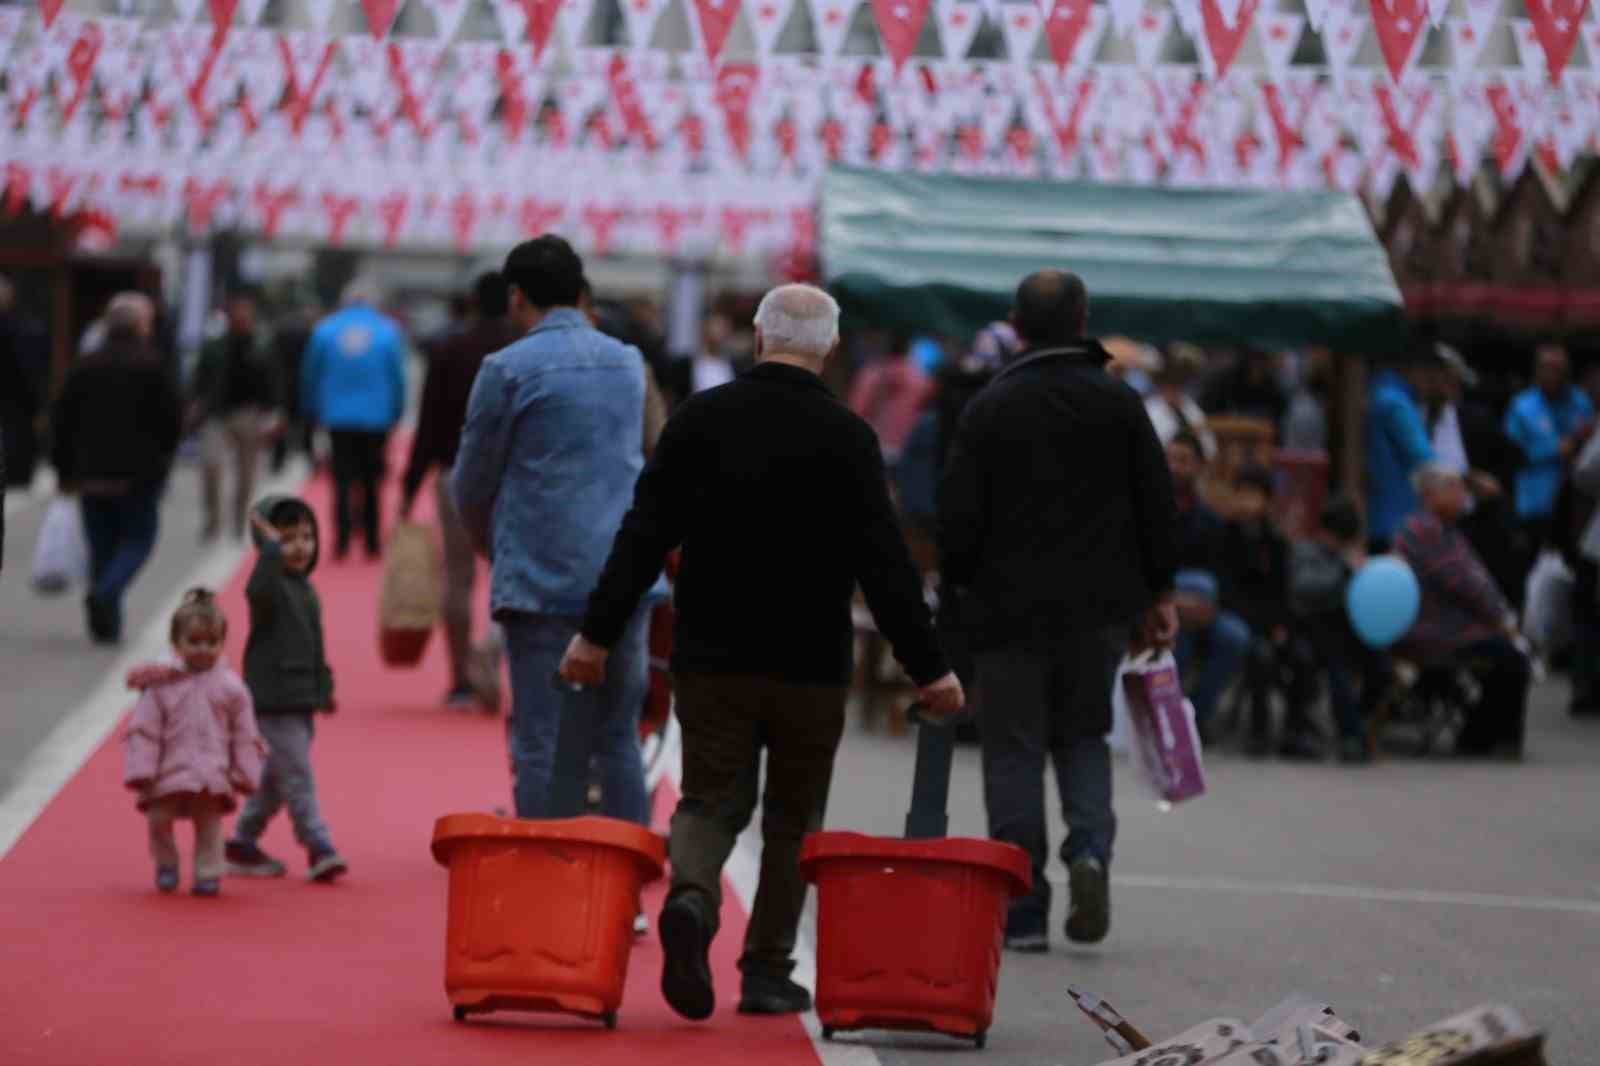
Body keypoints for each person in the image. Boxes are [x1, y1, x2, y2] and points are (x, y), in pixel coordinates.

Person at [560, 283, 960, 1019]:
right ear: (832, 347)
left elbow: (642, 535)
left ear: (756, 336)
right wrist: (928, 666)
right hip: (810, 660)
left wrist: (596, 634)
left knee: (711, 798)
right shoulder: (850, 437)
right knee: (793, 816)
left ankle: (692, 897)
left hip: (711, 650)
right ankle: (768, 970)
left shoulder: (700, 420)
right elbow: (886, 565)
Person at [939, 269, 1178, 952]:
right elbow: (1156, 504)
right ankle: (1090, 854)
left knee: (1012, 750)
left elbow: (957, 518)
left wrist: (957, 601)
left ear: (1016, 323)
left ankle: (1021, 909)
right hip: (1099, 611)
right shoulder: (1119, 403)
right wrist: (1159, 593)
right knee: (1082, 736)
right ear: (1083, 322)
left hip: (1006, 615)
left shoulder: (990, 407)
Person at [451, 236, 660, 831]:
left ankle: (550, 873)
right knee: (618, 734)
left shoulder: (505, 369)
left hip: (540, 577)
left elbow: (471, 482)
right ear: (579, 292)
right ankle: (625, 884)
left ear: (516, 298)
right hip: (623, 577)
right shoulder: (627, 362)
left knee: (540, 738)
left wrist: (492, 545)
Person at [400, 271, 516, 707]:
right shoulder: (520, 350)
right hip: (513, 478)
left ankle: (460, 679)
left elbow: (428, 422)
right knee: (513, 573)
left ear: (470, 301)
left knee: (458, 577)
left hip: (455, 473)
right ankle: (493, 649)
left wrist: (411, 485)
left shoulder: (449, 348)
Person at [224, 496, 348, 882]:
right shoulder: (271, 586)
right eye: (288, 538)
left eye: (307, 537)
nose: (300, 547)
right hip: (274, 700)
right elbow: (256, 590)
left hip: (300, 699)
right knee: (298, 777)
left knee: (277, 780)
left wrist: (323, 688)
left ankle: (243, 842)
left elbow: (315, 644)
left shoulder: (305, 589)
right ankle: (318, 845)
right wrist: (269, 550)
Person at [51, 292, 183, 644]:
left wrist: (63, 469)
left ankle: (104, 624)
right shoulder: (153, 365)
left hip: (90, 472)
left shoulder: (85, 365)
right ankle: (106, 595)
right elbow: (172, 420)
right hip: (137, 474)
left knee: (102, 546)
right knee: (139, 539)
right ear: (142, 326)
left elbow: (61, 419)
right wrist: (163, 460)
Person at [121, 589, 267, 896]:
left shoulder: (232, 688)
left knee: (209, 826)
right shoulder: (162, 686)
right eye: (195, 641)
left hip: (211, 774)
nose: (204, 649)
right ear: (177, 644)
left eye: (212, 642)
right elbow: (145, 729)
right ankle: (166, 863)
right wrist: (142, 769)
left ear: (222, 643)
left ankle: (208, 872)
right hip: (166, 771)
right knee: (158, 820)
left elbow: (244, 734)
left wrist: (245, 772)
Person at [1394, 464, 1532, 758]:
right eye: (1455, 488)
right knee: (1511, 659)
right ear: (1431, 495)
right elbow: (1463, 583)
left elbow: (1477, 579)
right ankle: (1485, 737)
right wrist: (1499, 618)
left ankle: (1483, 735)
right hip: (1435, 629)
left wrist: (1501, 615)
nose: (1462, 495)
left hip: (1455, 625)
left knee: (1510, 654)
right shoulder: (1424, 531)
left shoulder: (1446, 529)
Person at [301, 278, 408, 560]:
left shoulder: (325, 330)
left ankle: (342, 539)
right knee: (373, 480)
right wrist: (397, 409)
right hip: (376, 417)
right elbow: (398, 377)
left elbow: (310, 373)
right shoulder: (387, 332)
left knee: (342, 479)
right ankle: (372, 540)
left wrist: (311, 407)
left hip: (337, 416)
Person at [1219, 465, 1319, 759]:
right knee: (1260, 656)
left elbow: (1284, 592)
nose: (1247, 502)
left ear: (1267, 501)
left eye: (1254, 496)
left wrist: (1282, 627)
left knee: (1302, 655)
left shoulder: (1276, 542)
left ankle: (1295, 731)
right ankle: (1259, 731)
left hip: (1275, 624)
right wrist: (1262, 625)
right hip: (1242, 623)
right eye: (1242, 495)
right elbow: (1228, 593)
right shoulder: (1226, 538)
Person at [1289, 497, 1386, 764]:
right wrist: (1343, 571)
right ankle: (1350, 736)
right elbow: (1304, 587)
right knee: (1339, 673)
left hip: (1352, 630)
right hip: (1316, 630)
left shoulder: (1353, 555)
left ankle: (1363, 725)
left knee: (1381, 669)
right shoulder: (1306, 552)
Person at [1166, 432, 1251, 735]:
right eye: (1171, 459)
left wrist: (1209, 610)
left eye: (1184, 460)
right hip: (1160, 608)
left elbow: (1226, 576)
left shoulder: (1212, 522)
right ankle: (1170, 720)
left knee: (1235, 637)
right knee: (1176, 639)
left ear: (1199, 466)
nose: (1175, 467)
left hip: (1203, 610)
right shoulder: (1149, 514)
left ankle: (1195, 719)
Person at [191, 288, 283, 542]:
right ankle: (212, 521)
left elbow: (273, 380)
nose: (241, 316)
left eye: (246, 312)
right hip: (217, 413)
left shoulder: (262, 345)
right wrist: (196, 403)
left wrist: (272, 412)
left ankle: (238, 521)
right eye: (237, 312)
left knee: (246, 474)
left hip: (249, 413)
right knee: (211, 465)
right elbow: (200, 377)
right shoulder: (215, 345)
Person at [1504, 344, 1594, 554]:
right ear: (1537, 371)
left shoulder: (1581, 403)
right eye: (1548, 368)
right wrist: (1554, 450)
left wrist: (1581, 443)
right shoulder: (1522, 406)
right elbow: (1509, 455)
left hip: (1576, 503)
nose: (1554, 374)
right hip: (1535, 504)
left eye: (1559, 369)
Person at [1365, 352, 1439, 550]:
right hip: (1394, 517)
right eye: (1430, 375)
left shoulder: (1377, 391)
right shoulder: (1394, 401)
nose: (1432, 384)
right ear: (1415, 370)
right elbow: (1424, 460)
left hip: (1379, 515)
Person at [846, 333, 934, 465]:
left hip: (867, 442)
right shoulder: (921, 380)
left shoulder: (870, 374)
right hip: (900, 445)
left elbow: (856, 408)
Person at [1145, 343, 1218, 459]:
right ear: (1159, 382)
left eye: (1178, 380)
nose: (1174, 385)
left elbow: (1209, 449)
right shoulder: (1149, 410)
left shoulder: (1191, 409)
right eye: (1168, 379)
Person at [1200, 348, 1287, 425]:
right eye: (1253, 358)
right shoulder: (1222, 384)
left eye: (1261, 359)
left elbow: (1279, 424)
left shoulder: (1274, 390)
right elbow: (1207, 418)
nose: (1257, 365)